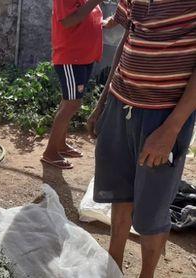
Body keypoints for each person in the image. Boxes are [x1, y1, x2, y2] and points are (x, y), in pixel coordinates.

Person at [87, 0, 196, 276]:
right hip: (120, 103)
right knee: (120, 194)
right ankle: (114, 267)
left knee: (152, 210)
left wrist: (171, 129)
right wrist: (103, 103)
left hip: (162, 118)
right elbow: (128, 37)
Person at [41, 0, 104, 169]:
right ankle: (50, 153)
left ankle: (60, 146)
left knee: (68, 101)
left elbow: (87, 19)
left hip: (83, 57)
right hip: (71, 57)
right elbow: (67, 21)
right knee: (72, 104)